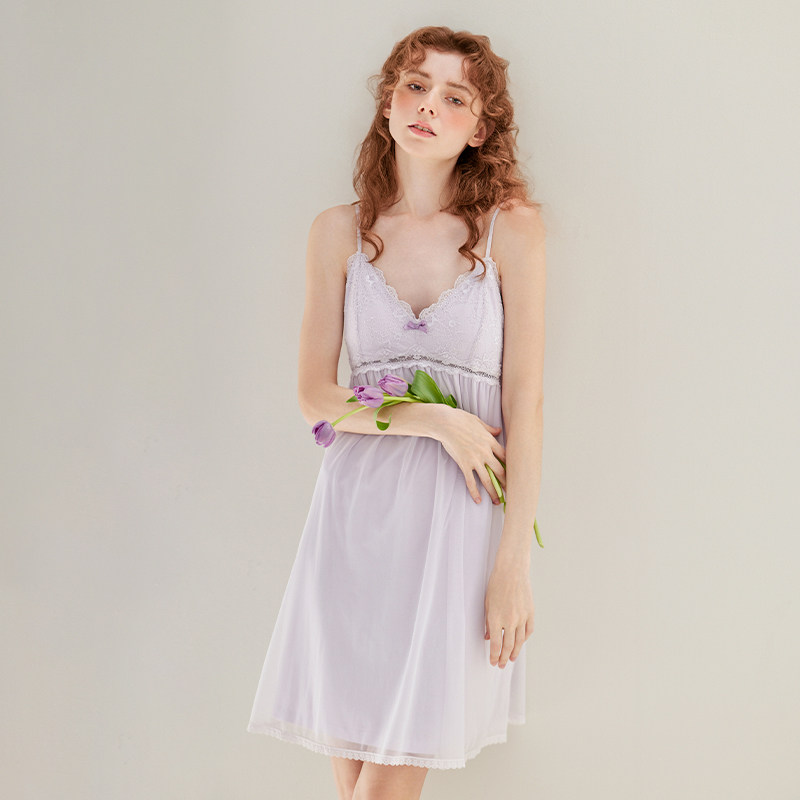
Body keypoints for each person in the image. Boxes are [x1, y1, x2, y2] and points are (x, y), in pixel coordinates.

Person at [247, 25, 546, 800]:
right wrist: (433, 419)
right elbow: (316, 396)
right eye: (415, 85)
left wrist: (512, 564)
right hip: (352, 525)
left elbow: (526, 402)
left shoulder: (509, 231)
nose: (428, 106)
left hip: (458, 529)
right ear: (388, 101)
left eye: (454, 97)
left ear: (478, 128)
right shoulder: (337, 232)